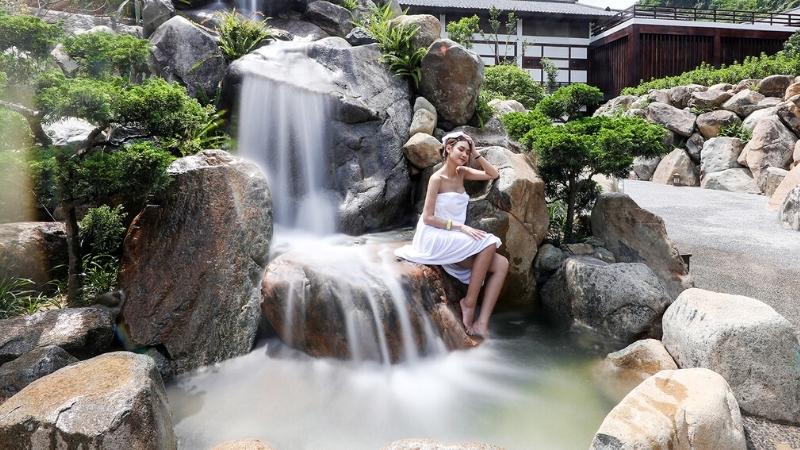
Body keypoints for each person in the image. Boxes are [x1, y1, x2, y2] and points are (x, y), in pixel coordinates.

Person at [395, 131, 509, 338]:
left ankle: (482, 323)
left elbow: (493, 174)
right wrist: (461, 227)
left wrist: (476, 152)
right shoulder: (436, 178)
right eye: (461, 149)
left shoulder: (463, 172)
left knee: (502, 264)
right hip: (434, 235)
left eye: (467, 151)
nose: (465, 154)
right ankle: (469, 302)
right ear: (448, 149)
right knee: (488, 242)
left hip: (455, 240)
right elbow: (428, 217)